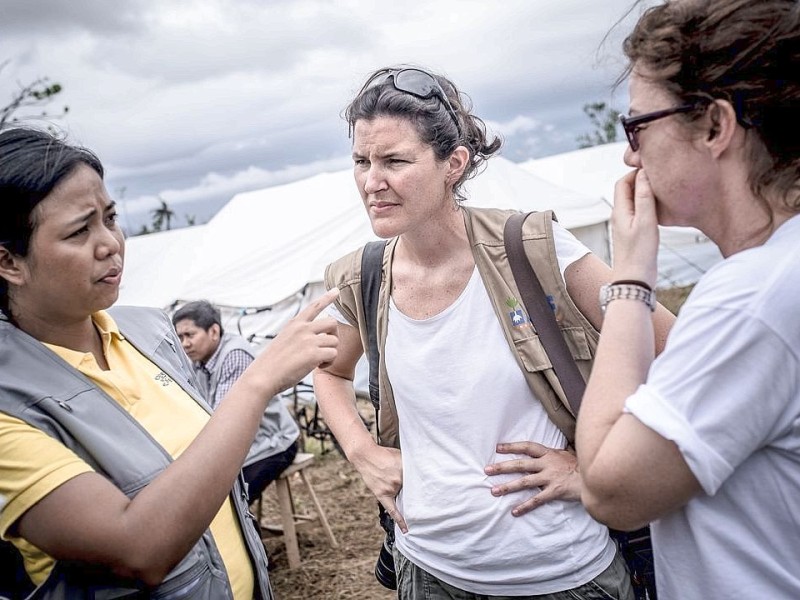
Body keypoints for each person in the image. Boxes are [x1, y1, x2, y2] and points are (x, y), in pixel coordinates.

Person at [313, 65, 674, 599]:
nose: (372, 181)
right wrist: (361, 449)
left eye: (395, 161)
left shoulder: (531, 245)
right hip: (427, 571)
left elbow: (675, 350)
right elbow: (329, 372)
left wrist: (590, 470)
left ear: (453, 163)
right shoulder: (363, 276)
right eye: (362, 161)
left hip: (559, 575)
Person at [0, 126, 339, 599]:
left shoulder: (150, 332)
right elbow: (137, 550)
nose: (110, 243)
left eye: (110, 218)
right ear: (9, 262)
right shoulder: (8, 406)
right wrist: (257, 382)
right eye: (80, 230)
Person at [576, 1, 800, 598]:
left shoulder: (753, 299)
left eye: (638, 127)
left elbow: (608, 488)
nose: (630, 155)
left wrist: (631, 278)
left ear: (713, 126)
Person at [172, 300, 300, 501]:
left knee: (226, 498)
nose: (185, 343)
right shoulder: (199, 361)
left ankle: (245, 532)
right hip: (244, 444)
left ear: (214, 331)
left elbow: (224, 421)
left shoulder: (234, 355)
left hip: (272, 443)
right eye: (180, 337)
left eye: (190, 335)